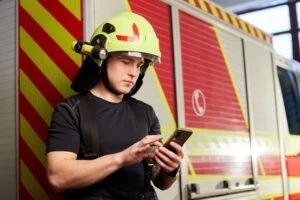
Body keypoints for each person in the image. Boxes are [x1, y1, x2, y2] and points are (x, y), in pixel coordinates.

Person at [46, 12, 184, 200]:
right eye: (126, 61)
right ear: (101, 60)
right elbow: (57, 177)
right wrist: (122, 159)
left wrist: (170, 169)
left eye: (139, 65)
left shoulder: (146, 112)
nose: (133, 73)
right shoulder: (70, 111)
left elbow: (160, 182)